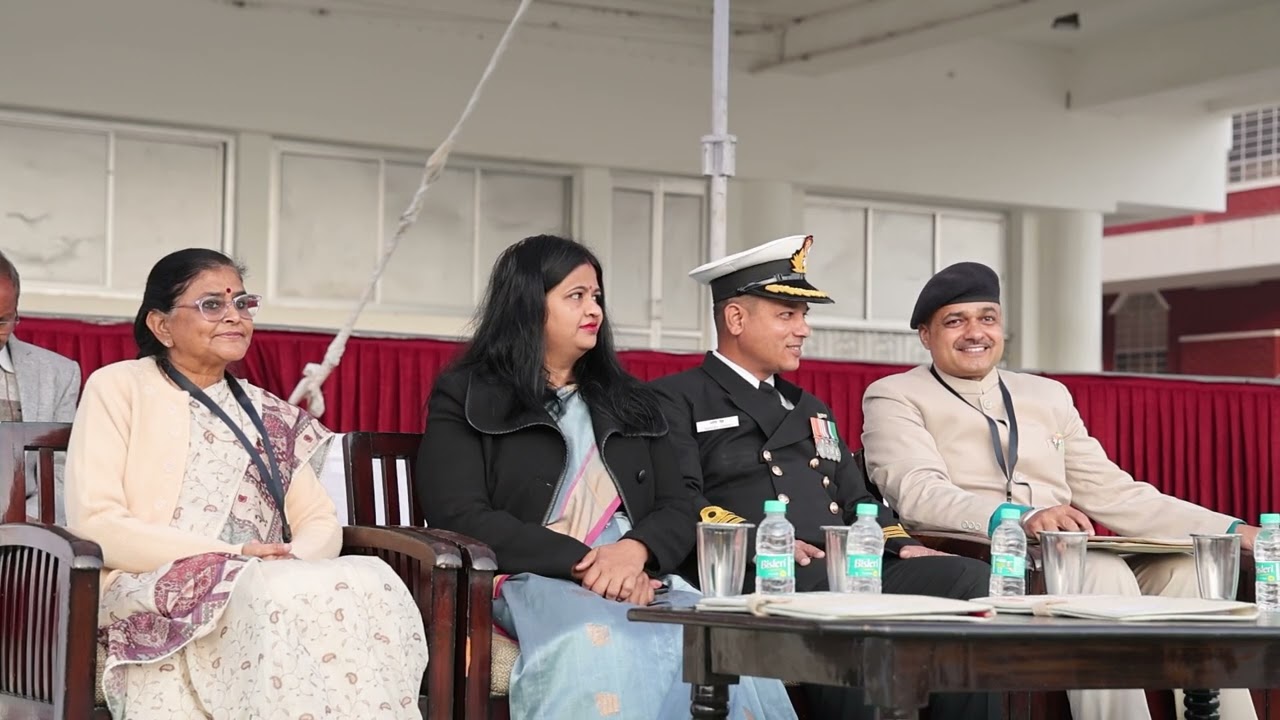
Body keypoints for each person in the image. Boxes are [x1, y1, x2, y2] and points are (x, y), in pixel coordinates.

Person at [416, 234, 796, 720]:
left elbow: (681, 500)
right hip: (532, 572)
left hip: (636, 572)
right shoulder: (467, 394)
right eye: (575, 296)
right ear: (529, 305)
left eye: (596, 296)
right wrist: (588, 564)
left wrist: (634, 553)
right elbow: (458, 513)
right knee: (599, 643)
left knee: (727, 638)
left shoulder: (632, 401)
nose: (593, 308)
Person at [861, 260, 1260, 720]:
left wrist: (1233, 529)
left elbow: (1115, 493)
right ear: (926, 335)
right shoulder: (895, 394)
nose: (975, 332)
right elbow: (917, 490)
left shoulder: (1046, 395)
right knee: (1099, 572)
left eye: (987, 318)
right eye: (955, 321)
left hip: (1063, 555)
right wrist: (1020, 519)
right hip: (980, 557)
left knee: (1186, 571)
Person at [65, 248, 428, 719]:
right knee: (264, 590)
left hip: (264, 574)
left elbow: (318, 519)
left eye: (242, 303)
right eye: (212, 304)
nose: (234, 317)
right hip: (148, 577)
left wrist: (291, 558)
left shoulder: (267, 411)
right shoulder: (118, 387)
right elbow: (99, 524)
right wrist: (235, 558)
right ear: (161, 325)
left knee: (369, 578)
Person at [652, 235, 998, 720]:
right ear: (736, 319)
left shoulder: (808, 406)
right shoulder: (676, 398)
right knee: (847, 622)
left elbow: (857, 498)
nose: (803, 330)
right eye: (787, 315)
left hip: (847, 566)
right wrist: (760, 540)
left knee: (971, 580)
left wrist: (902, 545)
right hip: (764, 573)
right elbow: (678, 499)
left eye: (804, 316)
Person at [0, 250, 82, 522]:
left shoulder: (58, 374)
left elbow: (63, 474)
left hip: (24, 535)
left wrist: (25, 523)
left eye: (3, 321)